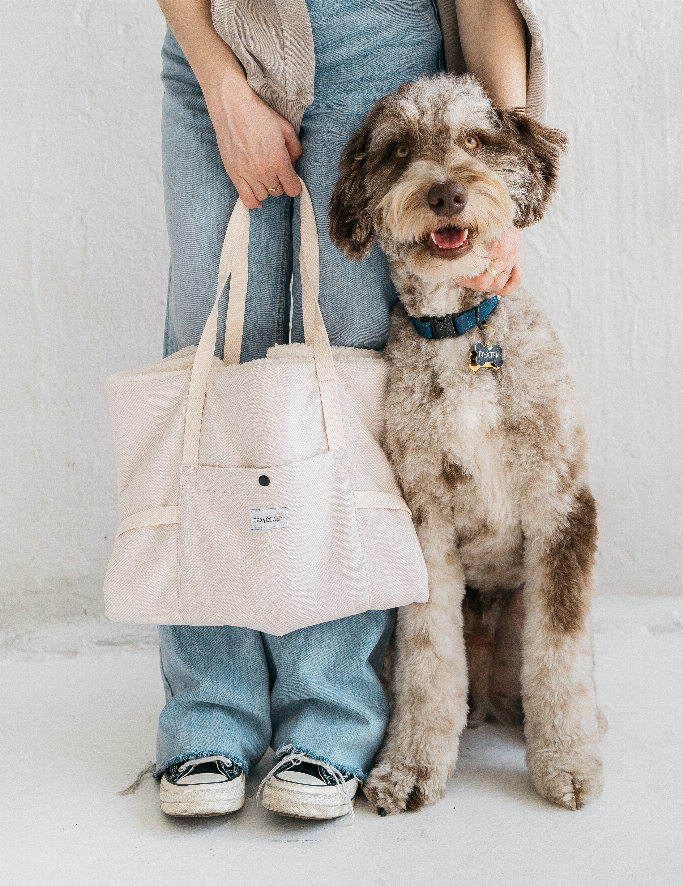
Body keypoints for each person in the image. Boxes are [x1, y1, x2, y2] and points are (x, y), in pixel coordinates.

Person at [154, 0, 547, 820]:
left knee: (350, 377)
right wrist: (222, 81)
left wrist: (509, 173)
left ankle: (331, 713)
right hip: (218, 47)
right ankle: (208, 707)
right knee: (213, 365)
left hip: (383, 66)